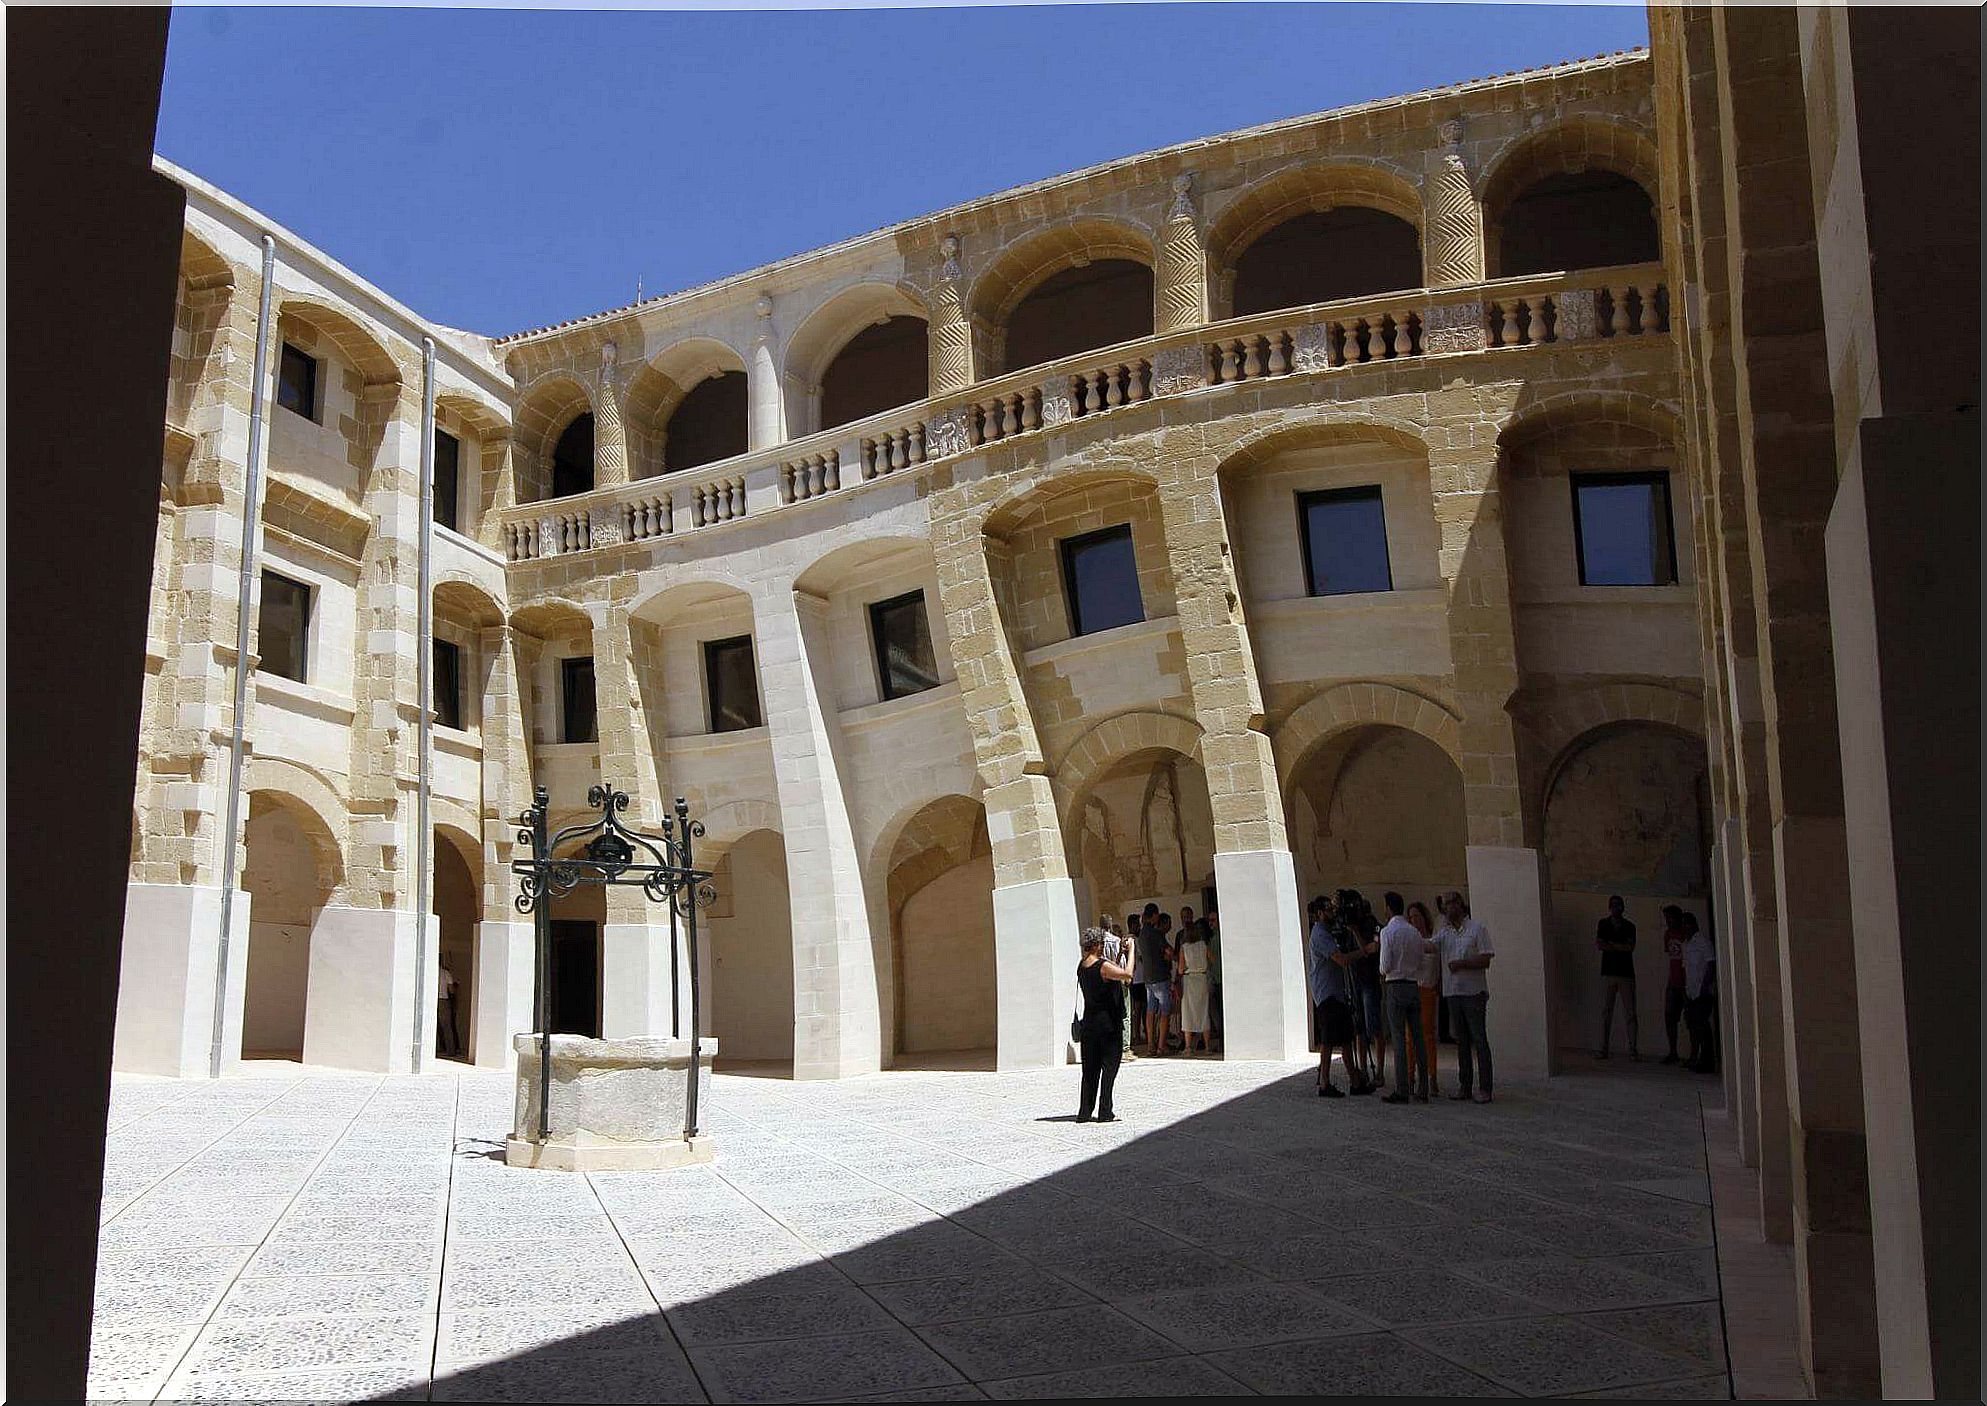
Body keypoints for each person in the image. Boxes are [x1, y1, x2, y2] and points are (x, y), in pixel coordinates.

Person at [1437, 891, 1496, 1103]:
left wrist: (1462, 964)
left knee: (1479, 1040)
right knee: (1461, 1041)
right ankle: (1465, 1086)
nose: (1447, 909)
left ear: (1459, 905)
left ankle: (1486, 1088)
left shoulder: (1477, 928)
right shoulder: (1445, 933)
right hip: (1453, 993)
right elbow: (1430, 946)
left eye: (1450, 904)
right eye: (1444, 905)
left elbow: (1486, 959)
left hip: (1473, 993)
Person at [1377, 891, 1433, 1103]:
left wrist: (1386, 971)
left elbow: (1385, 966)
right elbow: (1420, 960)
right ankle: (1423, 1088)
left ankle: (1402, 1089)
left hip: (1395, 985)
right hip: (1413, 985)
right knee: (1418, 1038)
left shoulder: (1387, 932)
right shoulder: (1413, 932)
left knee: (1399, 1039)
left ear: (1389, 908)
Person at [1307, 896, 1362, 1097]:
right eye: (1329, 910)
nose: (1333, 913)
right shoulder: (1320, 934)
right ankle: (1325, 1083)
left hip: (1335, 993)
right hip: (1327, 994)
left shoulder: (1327, 933)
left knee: (1346, 1038)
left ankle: (1355, 1081)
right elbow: (1342, 959)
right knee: (1329, 1041)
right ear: (1320, 913)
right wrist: (1364, 951)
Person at [1075, 928, 1132, 1122]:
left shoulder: (1082, 966)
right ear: (1098, 944)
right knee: (1109, 1067)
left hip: (1089, 1024)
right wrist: (1132, 951)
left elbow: (1108, 971)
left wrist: (1119, 954)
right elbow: (1126, 974)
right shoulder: (1102, 967)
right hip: (1108, 1024)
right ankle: (1105, 1110)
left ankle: (1085, 1111)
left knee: (1089, 1070)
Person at [1342, 889, 1386, 1089]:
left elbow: (1369, 950)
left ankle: (1379, 1071)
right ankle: (1361, 1068)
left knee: (1373, 1026)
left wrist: (1355, 931)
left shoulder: (1374, 926)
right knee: (1359, 1028)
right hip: (1355, 980)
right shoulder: (1350, 927)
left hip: (1369, 981)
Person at [1406, 900, 1442, 1097]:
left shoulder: (1434, 938)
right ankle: (1411, 1076)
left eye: (1417, 916)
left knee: (1428, 1035)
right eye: (1410, 917)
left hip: (1428, 989)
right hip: (1413, 988)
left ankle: (1431, 1076)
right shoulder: (1409, 939)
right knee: (1410, 1036)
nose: (1414, 920)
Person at [1596, 895, 1639, 1060]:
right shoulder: (1603, 924)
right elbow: (1600, 944)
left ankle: (1633, 1050)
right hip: (1608, 973)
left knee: (1630, 1013)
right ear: (1610, 907)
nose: (1616, 908)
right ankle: (1603, 1049)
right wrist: (1618, 946)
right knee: (1606, 1012)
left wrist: (1611, 945)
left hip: (1626, 974)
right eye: (1614, 905)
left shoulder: (1630, 926)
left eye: (1619, 905)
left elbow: (1629, 947)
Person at [1137, 905, 1175, 1057]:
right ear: (1153, 915)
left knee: (1150, 1012)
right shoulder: (1155, 933)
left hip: (1148, 978)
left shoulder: (1141, 934)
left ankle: (1150, 1046)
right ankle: (1161, 1047)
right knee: (1165, 1012)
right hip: (1160, 976)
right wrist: (1171, 957)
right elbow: (1168, 951)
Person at [1683, 914, 1718, 1074]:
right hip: (1691, 992)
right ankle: (1694, 1057)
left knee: (1703, 1028)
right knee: (1693, 1026)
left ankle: (1708, 1061)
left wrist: (1705, 987)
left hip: (1702, 993)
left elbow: (1711, 964)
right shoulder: (1687, 945)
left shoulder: (1703, 942)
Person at [1659, 905, 1692, 1065]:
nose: (1668, 922)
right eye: (1666, 919)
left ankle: (1693, 1053)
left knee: (1690, 1018)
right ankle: (1673, 1052)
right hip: (1673, 981)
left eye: (1670, 918)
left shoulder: (1686, 934)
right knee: (1670, 1017)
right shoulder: (1668, 935)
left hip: (1687, 982)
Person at [1177, 907, 1213, 1054]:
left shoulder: (1184, 948)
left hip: (1190, 979)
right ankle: (1207, 1046)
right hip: (1202, 978)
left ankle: (1188, 1047)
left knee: (1188, 1012)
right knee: (1204, 1011)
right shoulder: (1203, 945)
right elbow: (1212, 959)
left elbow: (1180, 969)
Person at [1101, 915, 1136, 1062]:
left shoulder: (1098, 942)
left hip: (1105, 981)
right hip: (1118, 979)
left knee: (1109, 1014)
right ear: (1110, 926)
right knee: (1125, 1013)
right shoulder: (1115, 941)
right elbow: (1121, 962)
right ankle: (1125, 1049)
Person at [1126, 910, 1148, 1047]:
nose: (1139, 927)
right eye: (1137, 924)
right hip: (1137, 978)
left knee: (1143, 1007)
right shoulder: (1131, 939)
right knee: (1137, 1008)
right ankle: (1136, 1035)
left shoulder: (1138, 938)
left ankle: (1143, 1032)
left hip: (1142, 977)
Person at [1204, 910, 1223, 1050]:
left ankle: (1223, 1042)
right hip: (1215, 979)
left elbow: (1213, 960)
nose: (1211, 923)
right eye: (1209, 920)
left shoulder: (1218, 938)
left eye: (1213, 920)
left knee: (1219, 1013)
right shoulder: (1213, 938)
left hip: (1220, 979)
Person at [437, 962, 460, 1058]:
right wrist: (456, 986)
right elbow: (451, 990)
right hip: (443, 1000)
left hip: (429, 1000)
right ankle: (450, 1051)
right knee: (447, 1026)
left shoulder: (429, 970)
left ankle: (436, 1048)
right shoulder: (446, 973)